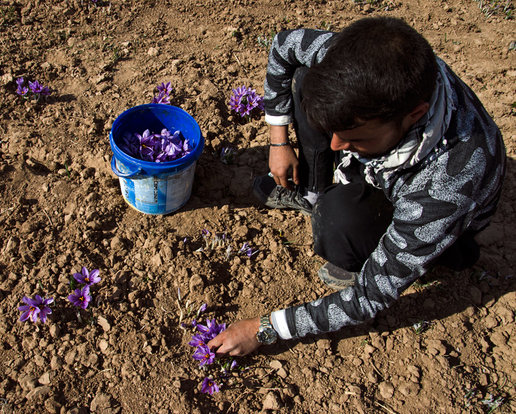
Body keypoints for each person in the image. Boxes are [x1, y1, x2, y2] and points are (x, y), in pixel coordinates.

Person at [207, 17, 506, 356]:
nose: (333, 145)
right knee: (309, 82)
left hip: (435, 220)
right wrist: (279, 141)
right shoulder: (362, 65)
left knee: (338, 221)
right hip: (393, 162)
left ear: (414, 114)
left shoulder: (445, 183)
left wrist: (263, 329)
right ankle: (312, 190)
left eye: (352, 137)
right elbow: (283, 45)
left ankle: (361, 253)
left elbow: (368, 298)